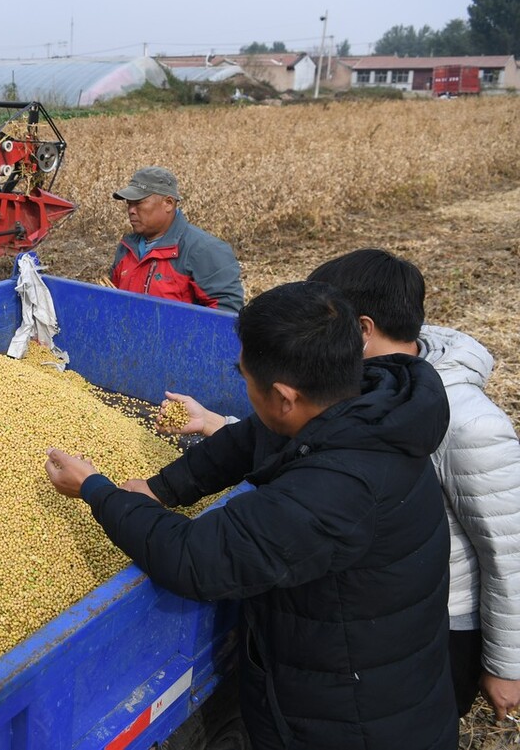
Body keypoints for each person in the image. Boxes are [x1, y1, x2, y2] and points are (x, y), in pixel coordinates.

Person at [46, 281, 457, 750]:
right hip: (352, 666)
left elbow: (195, 558)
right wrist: (161, 488)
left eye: (244, 377)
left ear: (285, 396)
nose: (242, 385)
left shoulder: (334, 488)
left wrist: (96, 490)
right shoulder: (358, 402)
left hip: (353, 720)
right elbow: (253, 438)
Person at [160, 248, 520, 723]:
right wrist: (216, 425)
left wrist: (506, 665)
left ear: (363, 329)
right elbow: (318, 444)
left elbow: (508, 551)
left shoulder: (470, 424)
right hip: (361, 603)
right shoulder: (366, 387)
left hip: (437, 618)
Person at [106, 166, 243, 313]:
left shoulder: (204, 250)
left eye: (138, 203)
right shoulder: (127, 247)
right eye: (129, 203)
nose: (131, 210)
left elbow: (225, 316)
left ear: (168, 203)